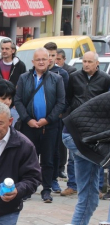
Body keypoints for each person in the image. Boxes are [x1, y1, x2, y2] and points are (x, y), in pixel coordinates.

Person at [62, 51, 110, 225]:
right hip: (78, 137)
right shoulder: (75, 77)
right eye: (85, 61)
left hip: (81, 137)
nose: (86, 64)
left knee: (89, 197)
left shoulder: (104, 80)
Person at [15, 48, 65, 203]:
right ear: (33, 62)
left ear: (49, 60)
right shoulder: (24, 78)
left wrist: (48, 119)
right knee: (29, 159)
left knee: (48, 160)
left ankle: (47, 190)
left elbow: (61, 102)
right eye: (38, 59)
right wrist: (27, 119)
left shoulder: (57, 79)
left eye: (44, 59)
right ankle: (28, 189)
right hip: (29, 126)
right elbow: (17, 100)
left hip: (49, 126)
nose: (42, 62)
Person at [44, 42, 69, 195]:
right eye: (48, 55)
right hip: (37, 119)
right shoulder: (34, 73)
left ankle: (53, 178)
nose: (51, 59)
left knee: (54, 151)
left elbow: (64, 97)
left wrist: (58, 113)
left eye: (53, 56)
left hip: (55, 119)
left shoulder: (62, 74)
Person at [55, 48, 76, 181]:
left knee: (62, 144)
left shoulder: (70, 73)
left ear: (64, 59)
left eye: (58, 59)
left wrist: (63, 112)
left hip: (64, 114)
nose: (56, 61)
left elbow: (68, 95)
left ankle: (61, 168)